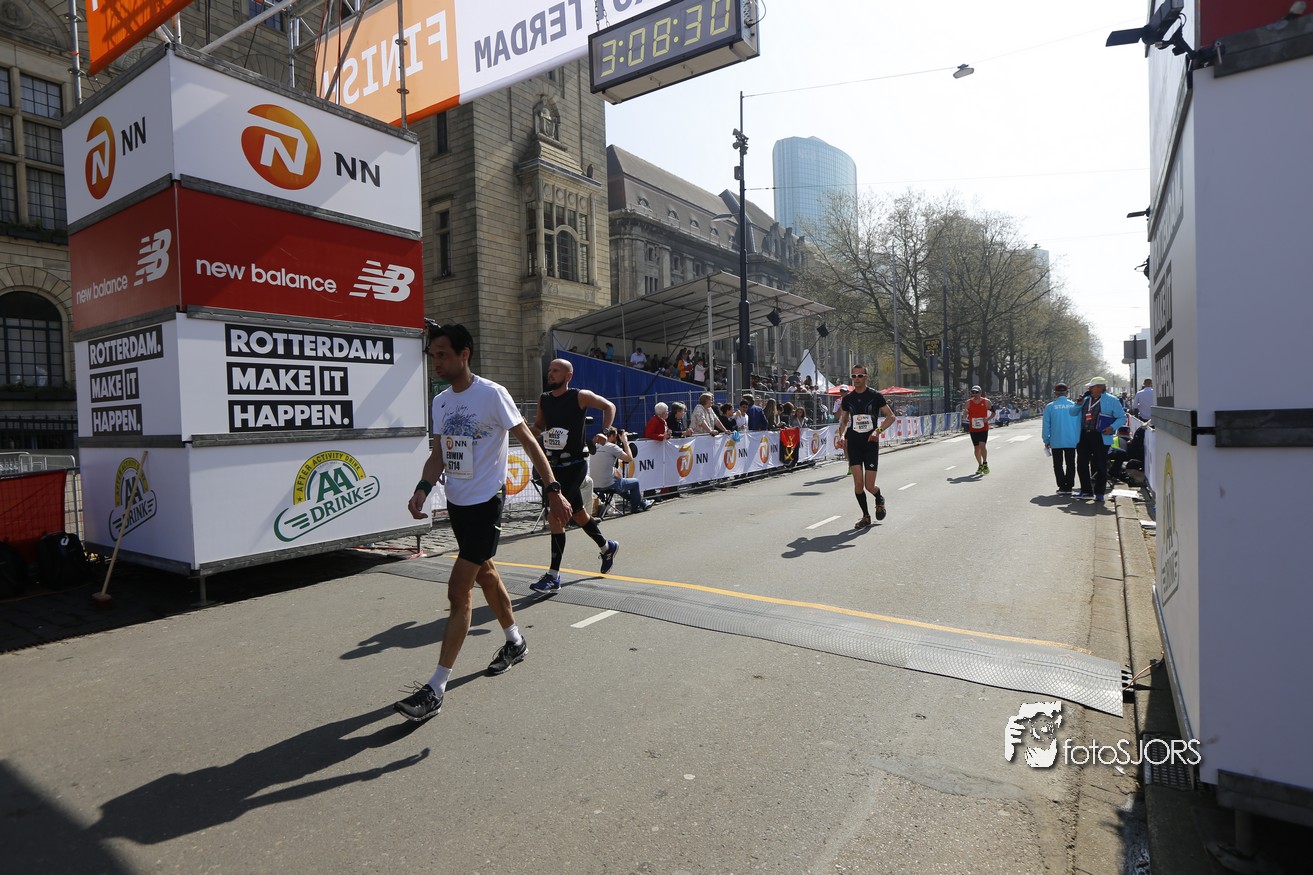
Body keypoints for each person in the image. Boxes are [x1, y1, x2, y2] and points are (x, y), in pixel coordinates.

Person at [397, 323, 571, 723]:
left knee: (459, 591)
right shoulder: (441, 402)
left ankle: (435, 689)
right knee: (487, 575)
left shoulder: (492, 394)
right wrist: (423, 488)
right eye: (433, 356)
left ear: (465, 354)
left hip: (487, 503)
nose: (436, 362)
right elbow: (439, 455)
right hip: (458, 505)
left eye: (443, 354)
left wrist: (553, 489)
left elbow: (528, 440)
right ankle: (516, 641)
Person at [527, 358, 621, 594]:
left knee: (555, 516)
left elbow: (609, 406)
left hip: (576, 464)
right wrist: (527, 430)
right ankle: (607, 547)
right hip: (554, 465)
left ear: (568, 375)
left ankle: (553, 576)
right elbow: (539, 426)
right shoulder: (544, 399)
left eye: (555, 370)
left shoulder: (580, 396)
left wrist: (605, 431)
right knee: (578, 514)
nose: (550, 374)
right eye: (549, 370)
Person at [836, 365, 896, 529]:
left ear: (866, 377)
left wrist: (878, 431)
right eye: (854, 376)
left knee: (869, 486)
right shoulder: (848, 399)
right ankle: (866, 516)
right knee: (858, 484)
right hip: (854, 443)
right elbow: (843, 421)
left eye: (860, 376)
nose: (856, 379)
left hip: (870, 443)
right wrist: (842, 436)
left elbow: (891, 417)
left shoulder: (875, 396)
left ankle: (879, 498)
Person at [1069, 376, 1127, 501]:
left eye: (1092, 386)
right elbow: (1072, 413)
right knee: (1081, 463)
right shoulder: (1085, 399)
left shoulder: (1112, 400)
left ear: (1100, 387)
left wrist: (1112, 427)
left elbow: (1122, 417)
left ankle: (1099, 492)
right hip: (1084, 435)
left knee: (1100, 464)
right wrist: (1078, 404)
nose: (1089, 388)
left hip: (1100, 436)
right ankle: (1086, 491)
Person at [589, 427, 650, 513]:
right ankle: (635, 508)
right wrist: (625, 441)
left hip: (594, 484)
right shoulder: (612, 447)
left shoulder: (595, 446)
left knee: (621, 484)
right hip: (608, 484)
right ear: (612, 436)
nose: (617, 439)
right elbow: (629, 458)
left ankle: (642, 503)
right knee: (635, 482)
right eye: (616, 436)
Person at [1041, 382, 1079, 495]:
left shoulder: (1050, 407)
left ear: (1055, 393)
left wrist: (1046, 440)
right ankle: (1069, 486)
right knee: (1071, 464)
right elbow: (1078, 424)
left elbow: (1046, 425)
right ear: (1067, 392)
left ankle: (1062, 486)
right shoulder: (1074, 405)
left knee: (1058, 464)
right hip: (1071, 440)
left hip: (1056, 440)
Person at [965, 385, 994, 474]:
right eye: (973, 392)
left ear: (980, 393)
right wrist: (965, 413)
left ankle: (985, 463)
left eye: (976, 392)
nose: (975, 394)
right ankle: (980, 465)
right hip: (973, 428)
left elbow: (993, 412)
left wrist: (987, 419)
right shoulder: (968, 402)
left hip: (983, 427)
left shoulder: (986, 402)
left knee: (982, 445)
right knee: (976, 448)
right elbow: (965, 416)